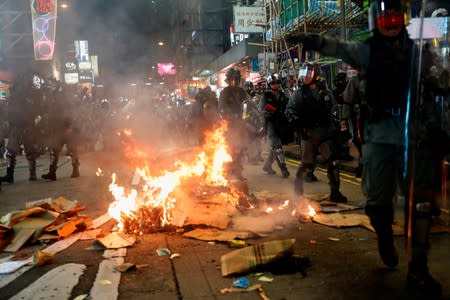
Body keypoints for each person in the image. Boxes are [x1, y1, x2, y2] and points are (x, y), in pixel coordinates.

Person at [288, 0, 448, 296]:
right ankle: (384, 237)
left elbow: (442, 84)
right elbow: (340, 47)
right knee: (378, 202)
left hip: (416, 137)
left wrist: (439, 102)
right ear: (377, 21)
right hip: (380, 137)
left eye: (395, 17)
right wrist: (315, 41)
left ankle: (419, 269)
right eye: (385, 18)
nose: (391, 23)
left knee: (421, 206)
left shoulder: (420, 55)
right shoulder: (368, 51)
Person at [286, 63, 348, 203]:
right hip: (309, 134)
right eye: (304, 73)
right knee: (307, 164)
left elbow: (335, 109)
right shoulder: (299, 93)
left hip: (326, 132)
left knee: (333, 162)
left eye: (309, 73)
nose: (305, 77)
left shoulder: (325, 92)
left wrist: (339, 125)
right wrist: (297, 123)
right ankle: (298, 190)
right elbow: (290, 110)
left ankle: (335, 192)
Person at [0, 72, 45, 184]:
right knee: (19, 151)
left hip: (21, 124)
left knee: (18, 150)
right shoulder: (29, 92)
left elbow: (35, 109)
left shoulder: (24, 93)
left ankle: (16, 175)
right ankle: (29, 175)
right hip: (21, 123)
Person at [41, 79, 80, 181]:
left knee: (71, 150)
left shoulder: (67, 101)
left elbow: (74, 114)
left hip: (67, 128)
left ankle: (75, 170)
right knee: (55, 151)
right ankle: (52, 172)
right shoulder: (57, 101)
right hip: (59, 129)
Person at [258, 73, 292, 178]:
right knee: (277, 146)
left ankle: (267, 166)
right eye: (273, 83)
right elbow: (260, 109)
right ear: (269, 84)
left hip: (281, 124)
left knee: (276, 147)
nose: (275, 85)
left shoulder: (283, 95)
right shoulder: (266, 96)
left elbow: (289, 107)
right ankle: (283, 168)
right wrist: (266, 113)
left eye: (277, 82)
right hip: (270, 124)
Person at [218, 68, 248, 180]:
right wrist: (231, 116)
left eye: (237, 79)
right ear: (229, 80)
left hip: (241, 125)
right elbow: (222, 107)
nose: (235, 81)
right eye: (233, 79)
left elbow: (247, 105)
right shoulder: (225, 92)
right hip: (230, 125)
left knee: (242, 149)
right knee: (231, 148)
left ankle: (238, 172)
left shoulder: (242, 92)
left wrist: (247, 117)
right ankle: (228, 171)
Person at [243, 81, 264, 164]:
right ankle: (251, 157)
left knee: (258, 139)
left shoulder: (257, 97)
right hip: (248, 122)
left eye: (250, 86)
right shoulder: (244, 99)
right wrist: (245, 122)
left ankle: (258, 155)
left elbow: (260, 109)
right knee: (250, 140)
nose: (249, 88)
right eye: (247, 86)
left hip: (257, 121)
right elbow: (244, 113)